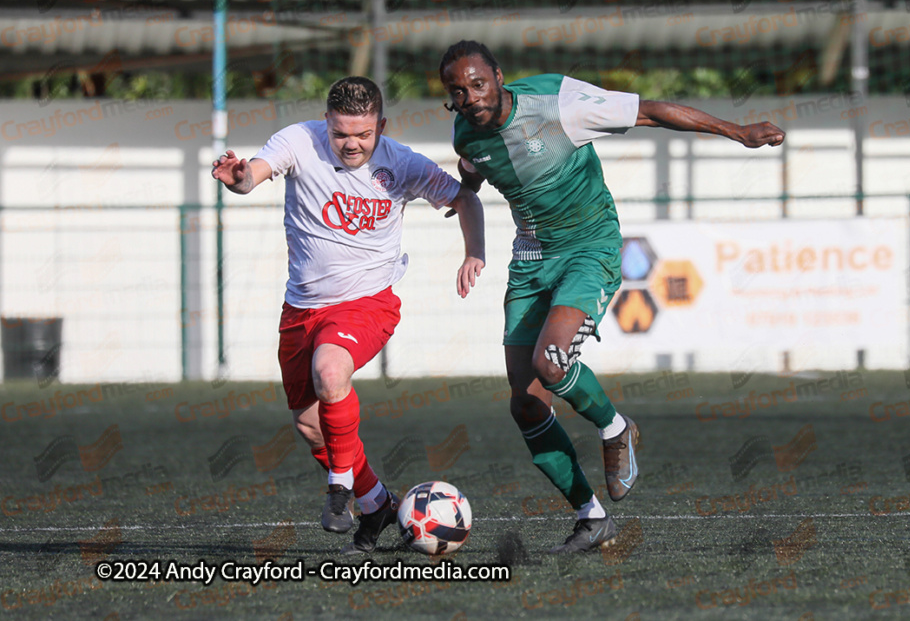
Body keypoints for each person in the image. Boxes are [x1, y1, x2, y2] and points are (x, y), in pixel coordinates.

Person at [439, 40, 784, 553]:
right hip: (531, 261)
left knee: (552, 361)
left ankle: (616, 428)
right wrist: (469, 228)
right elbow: (472, 172)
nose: (470, 97)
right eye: (458, 92)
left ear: (499, 75)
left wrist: (737, 132)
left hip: (589, 245)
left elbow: (649, 112)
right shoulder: (465, 133)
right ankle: (591, 516)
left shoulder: (557, 101)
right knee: (526, 405)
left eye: (478, 83)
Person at [211, 76, 485, 555]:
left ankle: (340, 491)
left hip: (367, 303)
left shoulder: (401, 163)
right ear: (326, 124)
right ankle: (377, 503)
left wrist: (473, 253)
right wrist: (240, 179)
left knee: (330, 370)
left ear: (381, 125)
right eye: (340, 134)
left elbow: (464, 197)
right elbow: (254, 172)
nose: (351, 144)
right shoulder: (299, 141)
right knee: (310, 425)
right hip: (300, 310)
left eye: (362, 134)